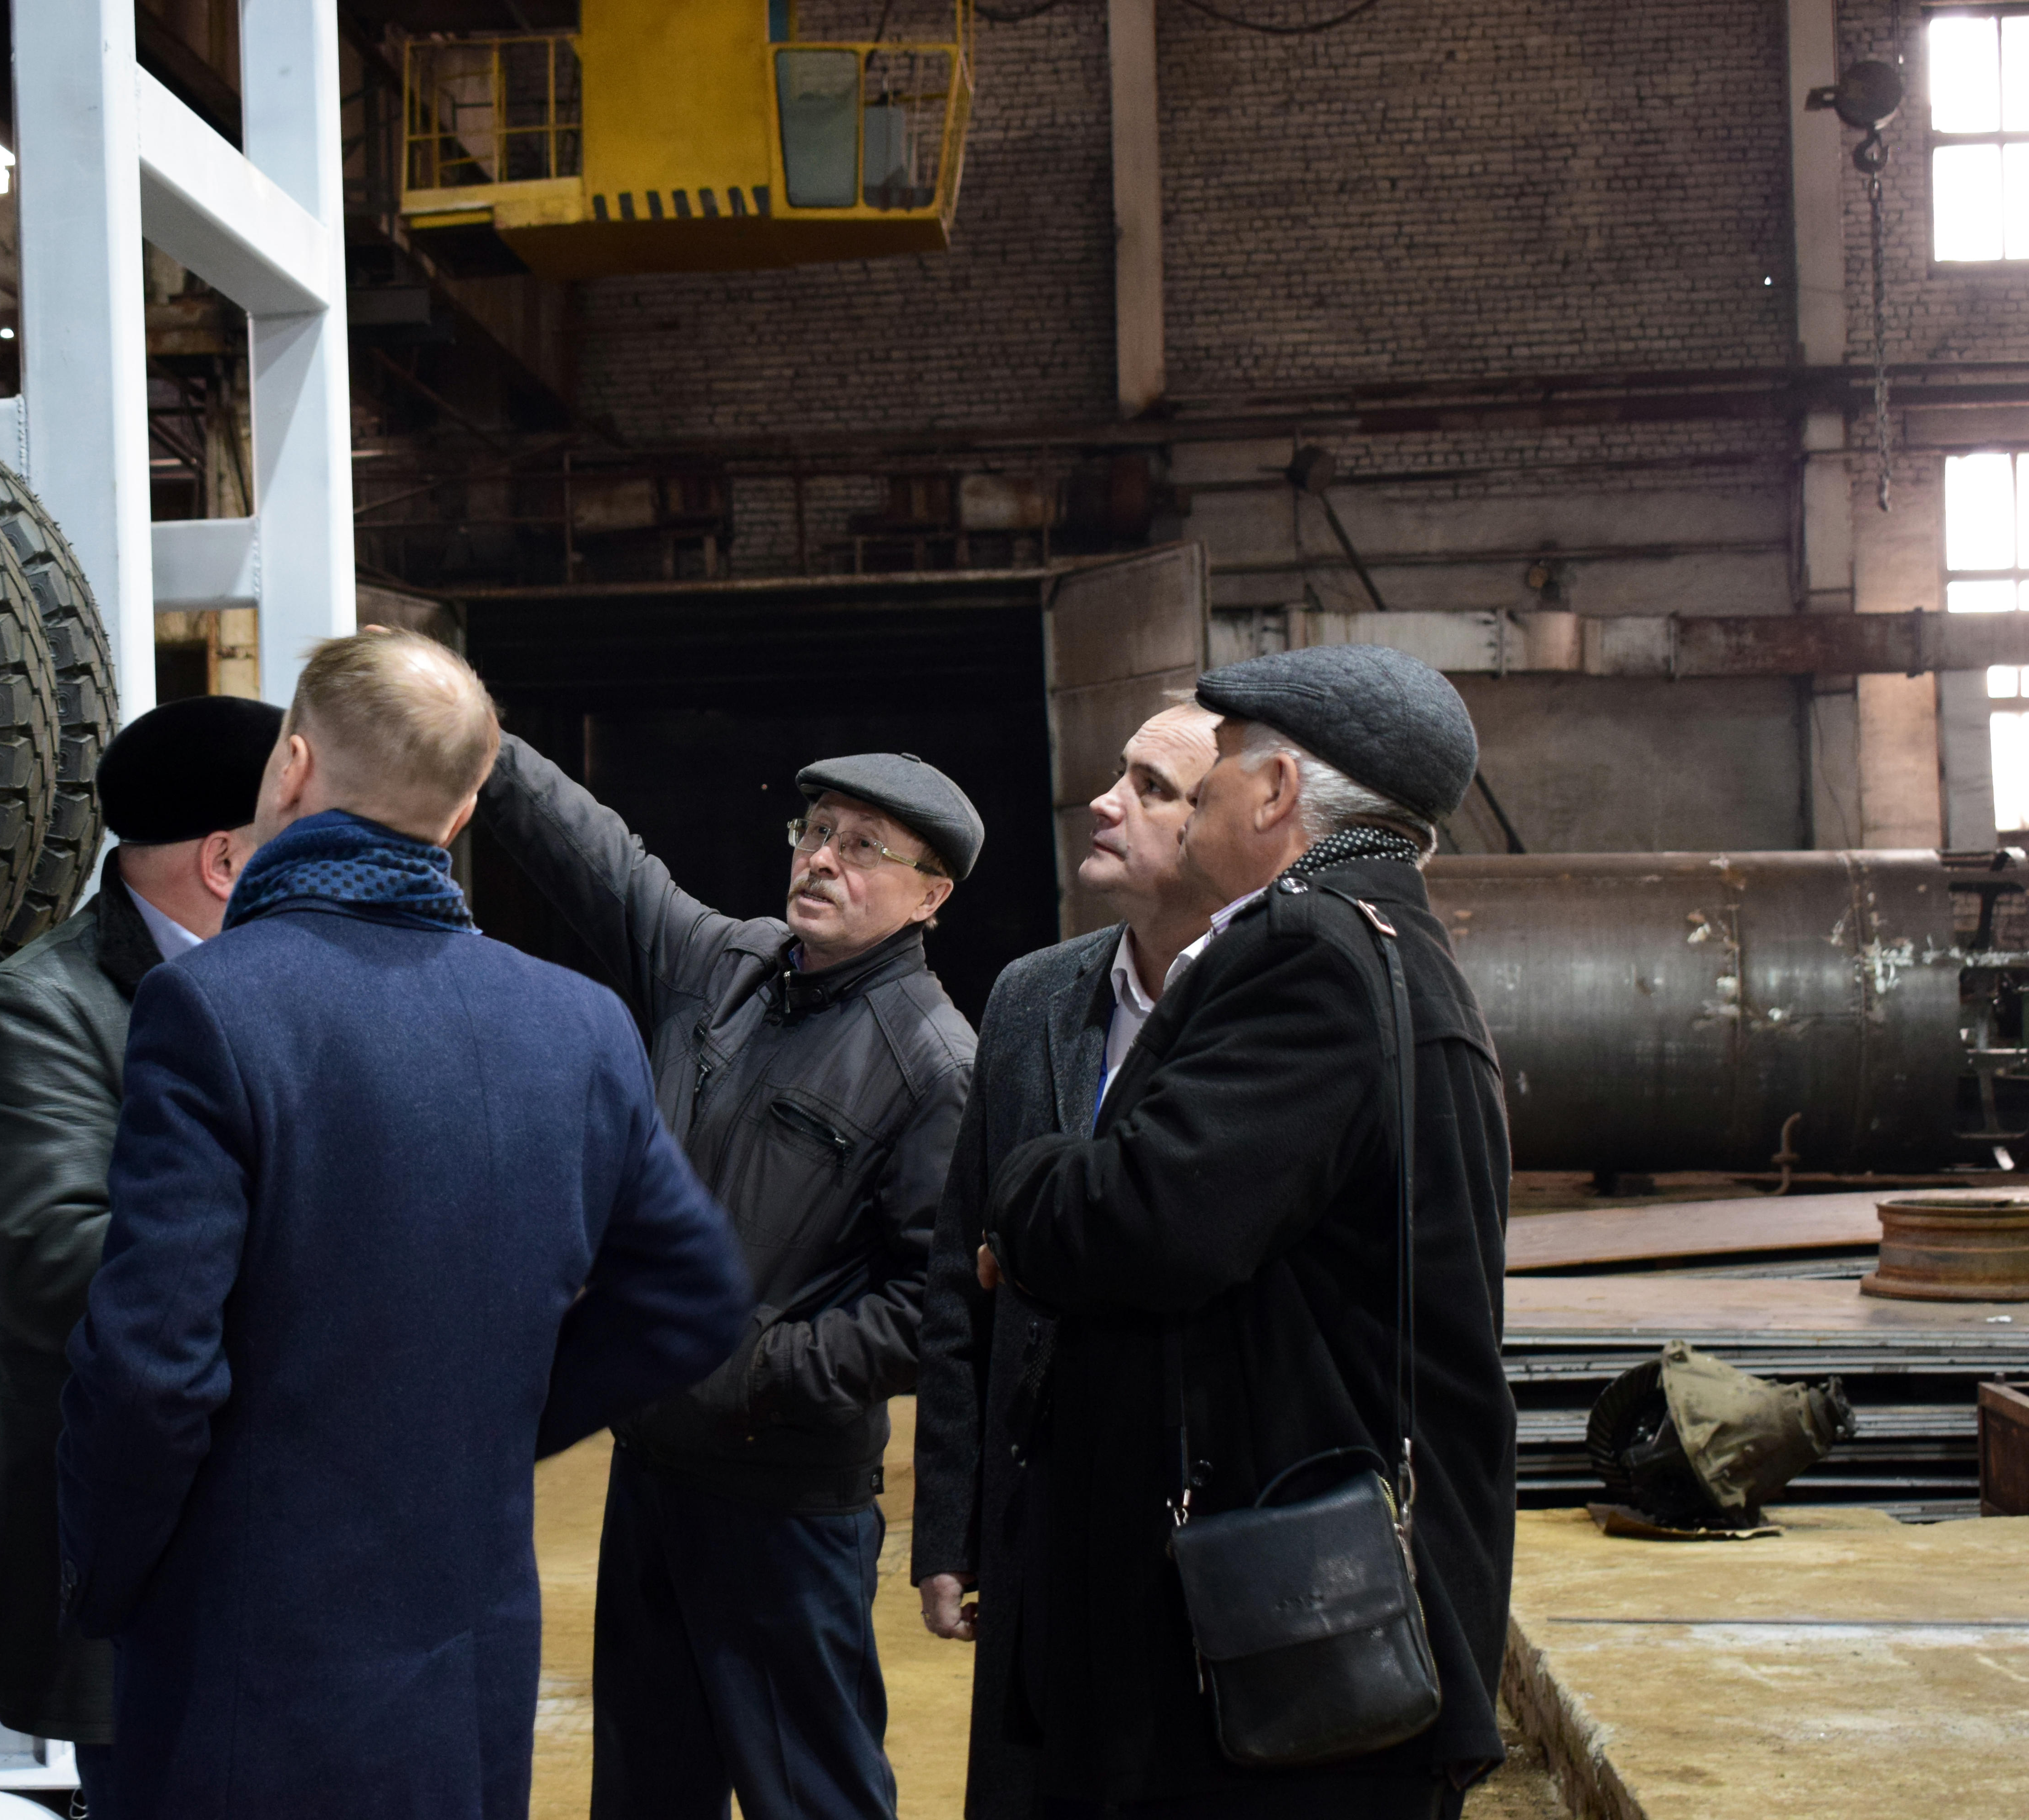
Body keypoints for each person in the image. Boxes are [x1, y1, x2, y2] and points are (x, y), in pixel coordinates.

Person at [56, 627, 752, 1820]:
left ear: (290, 768)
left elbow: (151, 1370)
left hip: (252, 1660)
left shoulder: (211, 1009)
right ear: (470, 806)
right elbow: (694, 1297)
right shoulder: (577, 1024)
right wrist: (487, 1422)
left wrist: (104, 1586)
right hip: (472, 1659)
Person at [981, 645, 1516, 1819]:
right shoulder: (1397, 949)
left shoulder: (1304, 949)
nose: (1203, 793)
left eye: (1215, 771)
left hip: (1281, 1616)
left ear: (1278, 792)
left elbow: (1146, 1220)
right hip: (1323, 1599)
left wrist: (1025, 1181)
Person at [477, 733, 981, 1820]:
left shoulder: (933, 1064)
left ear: (929, 894)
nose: (822, 859)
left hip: (784, 1506)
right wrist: (487, 745)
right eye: (815, 832)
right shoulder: (730, 967)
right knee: (648, 1788)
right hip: (654, 1472)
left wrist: (754, 1369)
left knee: (814, 1791)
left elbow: (933, 1301)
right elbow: (605, 864)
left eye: (862, 846)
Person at [0, 693, 282, 1814]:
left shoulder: (284, 985)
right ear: (229, 859)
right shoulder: (39, 1014)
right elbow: (64, 1265)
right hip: (149, 1565)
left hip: (291, 1551)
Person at [909, 700, 1221, 1818]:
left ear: (1225, 822)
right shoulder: (1033, 996)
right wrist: (952, 1522)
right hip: (1042, 1523)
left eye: (1149, 785)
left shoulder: (1276, 1007)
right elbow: (959, 1279)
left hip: (1197, 1528)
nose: (1105, 799)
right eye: (1115, 773)